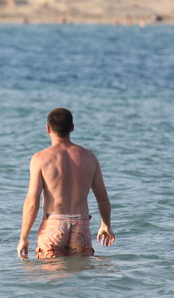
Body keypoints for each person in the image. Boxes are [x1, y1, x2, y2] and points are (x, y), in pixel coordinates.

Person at [17, 108, 115, 260]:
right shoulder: (89, 157)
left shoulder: (40, 158)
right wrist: (106, 225)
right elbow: (102, 197)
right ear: (72, 127)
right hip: (81, 224)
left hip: (54, 224)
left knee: (51, 279)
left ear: (47, 128)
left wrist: (23, 237)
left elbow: (32, 202)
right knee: (79, 277)